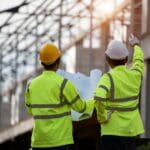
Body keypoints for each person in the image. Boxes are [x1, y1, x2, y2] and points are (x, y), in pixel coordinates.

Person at [25, 43, 93, 150]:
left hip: (38, 142)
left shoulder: (31, 85)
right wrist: (93, 99)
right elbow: (81, 108)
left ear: (42, 62)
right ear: (58, 61)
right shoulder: (64, 84)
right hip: (59, 142)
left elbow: (30, 110)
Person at [94, 34, 145, 150]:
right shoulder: (135, 75)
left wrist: (102, 116)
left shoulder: (107, 78)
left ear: (107, 60)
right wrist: (136, 45)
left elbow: (99, 97)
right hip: (130, 131)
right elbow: (139, 61)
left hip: (111, 131)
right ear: (126, 59)